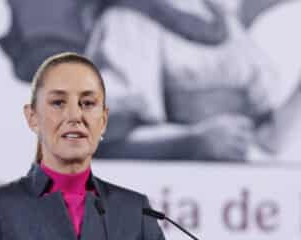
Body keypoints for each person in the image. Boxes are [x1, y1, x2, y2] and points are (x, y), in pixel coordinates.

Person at [0, 52, 165, 240]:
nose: (74, 115)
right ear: (32, 117)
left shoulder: (137, 213)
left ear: (104, 120)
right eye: (58, 103)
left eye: (87, 103)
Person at [85, 0, 297, 162]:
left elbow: (267, 140)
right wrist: (193, 141)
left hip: (235, 197)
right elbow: (108, 137)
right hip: (168, 197)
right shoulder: (127, 21)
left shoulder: (228, 26)